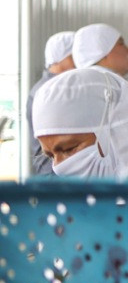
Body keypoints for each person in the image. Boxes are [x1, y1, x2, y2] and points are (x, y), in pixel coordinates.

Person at [27, 31, 76, 175]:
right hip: (55, 175)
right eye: (73, 56)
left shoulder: (51, 87)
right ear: (59, 59)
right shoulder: (51, 91)